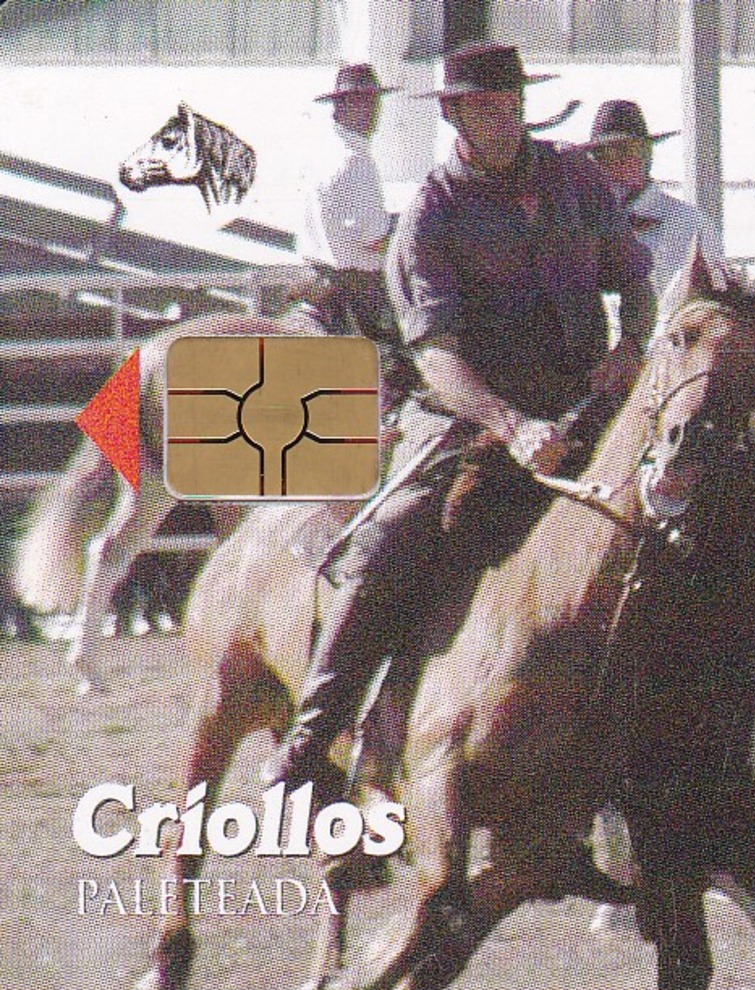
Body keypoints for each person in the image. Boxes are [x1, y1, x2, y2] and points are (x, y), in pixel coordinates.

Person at [263, 42, 656, 792]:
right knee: (393, 535)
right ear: (452, 114)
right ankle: (312, 739)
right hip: (467, 414)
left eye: (511, 103)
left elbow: (634, 282)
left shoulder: (577, 179)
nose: (504, 119)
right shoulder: (431, 214)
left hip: (584, 402)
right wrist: (510, 425)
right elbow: (437, 357)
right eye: (485, 107)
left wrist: (633, 344)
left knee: (678, 502)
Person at [578, 99, 726, 306]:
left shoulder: (692, 224)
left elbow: (711, 304)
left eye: (625, 151)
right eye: (601, 155)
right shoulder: (578, 224)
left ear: (647, 155)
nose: (614, 164)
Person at [299, 64, 399, 352]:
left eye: (373, 100)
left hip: (317, 282)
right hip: (357, 293)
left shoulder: (322, 153)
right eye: (360, 101)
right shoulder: (356, 161)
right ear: (338, 107)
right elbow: (374, 239)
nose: (371, 110)